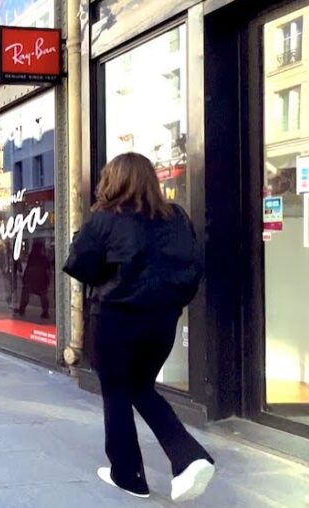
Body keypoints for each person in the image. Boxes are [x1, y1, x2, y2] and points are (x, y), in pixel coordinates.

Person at [64, 152, 214, 502]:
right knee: (141, 388)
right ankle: (188, 457)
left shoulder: (105, 218)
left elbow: (78, 264)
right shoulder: (175, 217)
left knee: (117, 392)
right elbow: (193, 267)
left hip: (115, 319)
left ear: (112, 181)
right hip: (161, 322)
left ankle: (129, 475)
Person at [16, 240, 52, 319]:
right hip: (40, 278)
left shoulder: (32, 256)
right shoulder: (44, 258)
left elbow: (29, 267)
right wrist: (48, 280)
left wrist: (25, 277)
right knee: (43, 295)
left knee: (26, 294)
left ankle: (22, 308)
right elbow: (48, 270)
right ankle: (45, 312)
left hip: (32, 278)